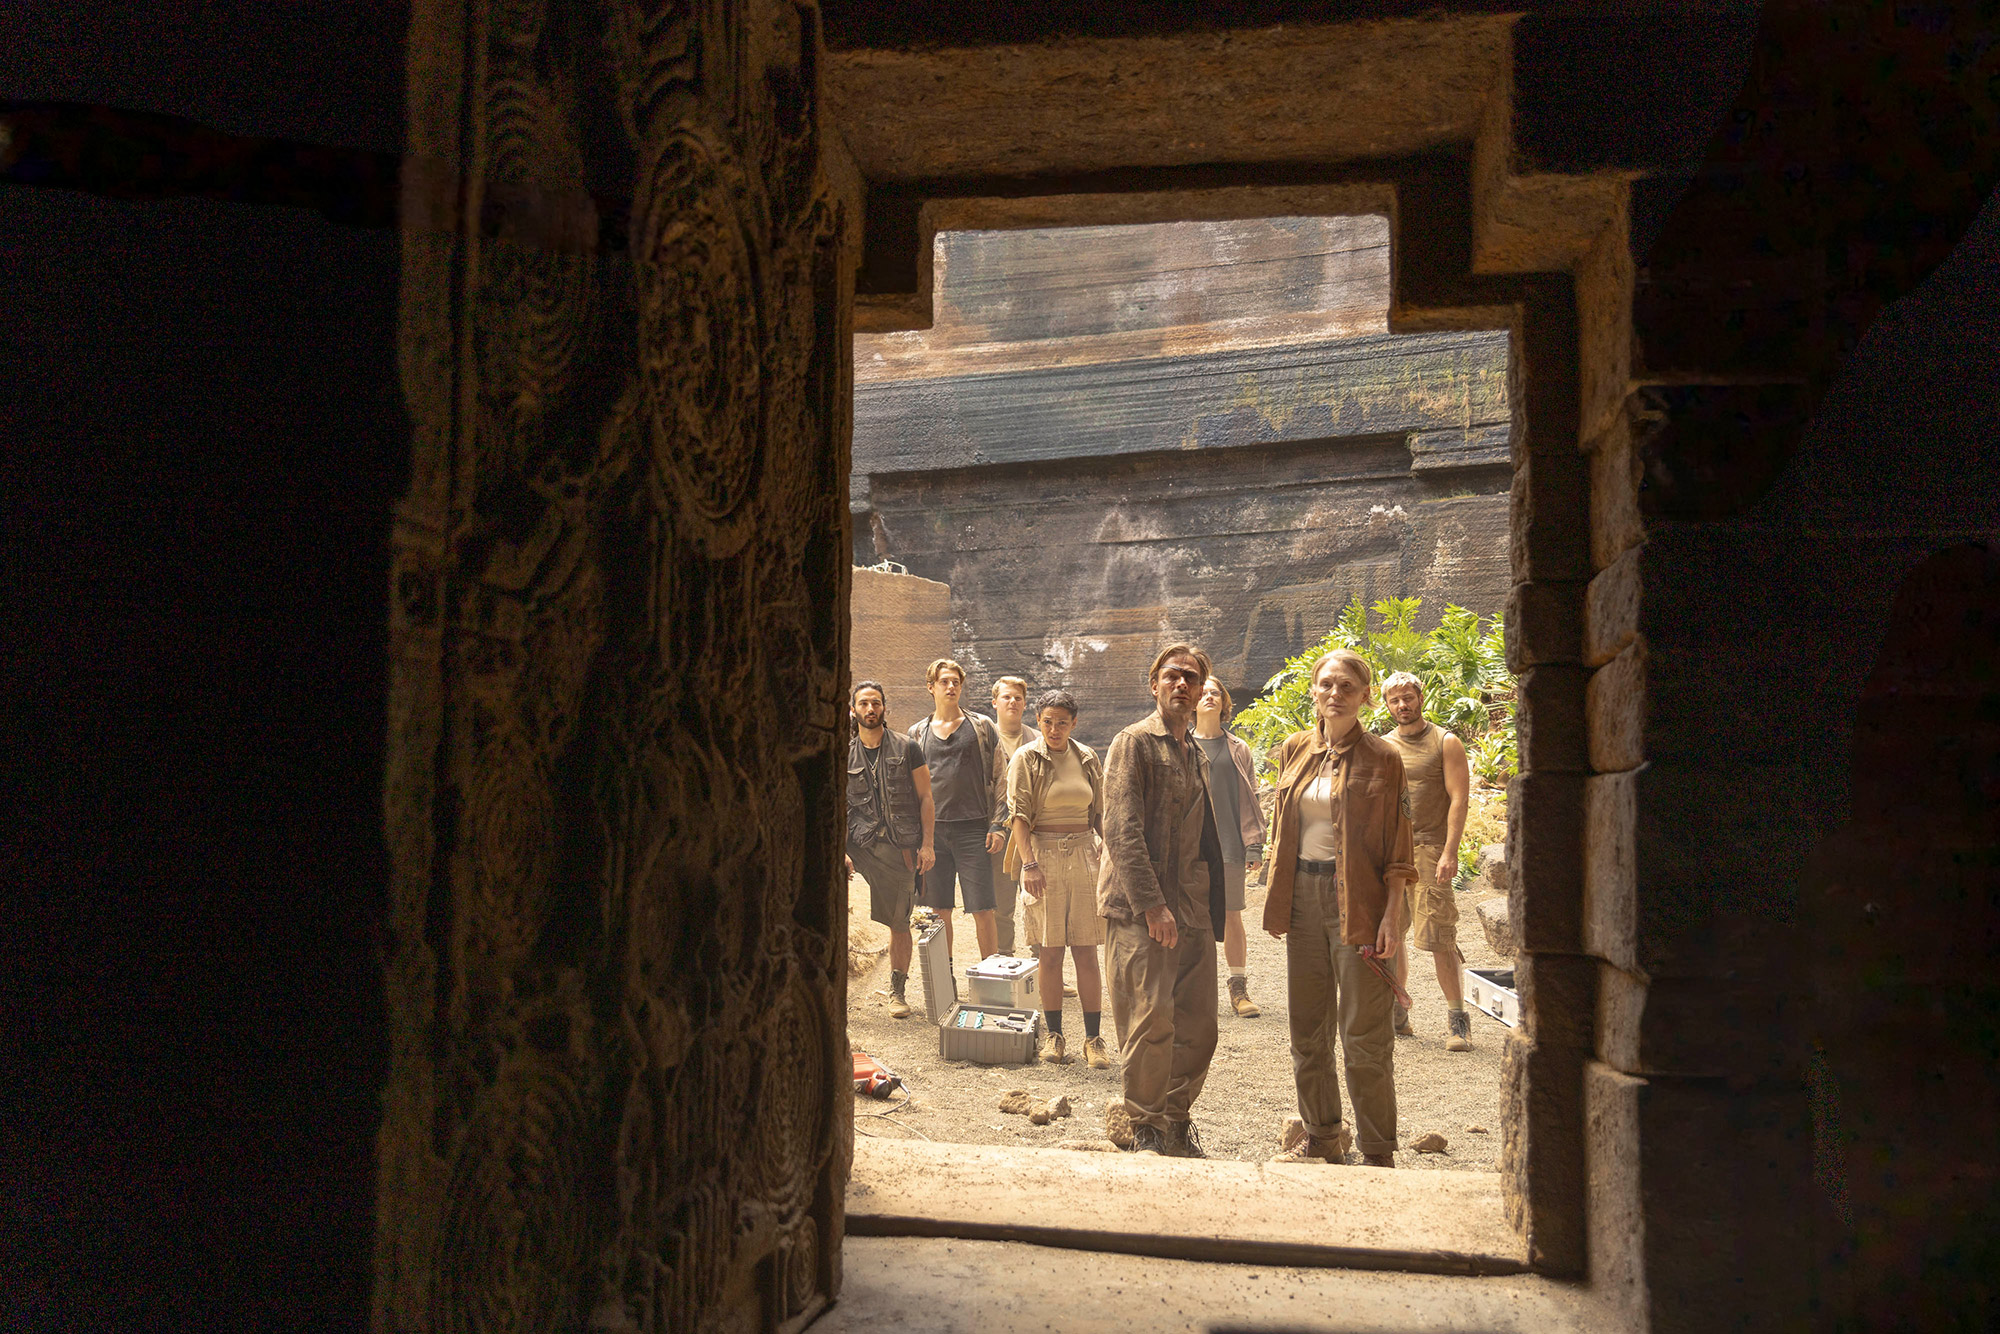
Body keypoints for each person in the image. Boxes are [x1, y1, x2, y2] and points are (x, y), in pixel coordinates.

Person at [1265, 649, 1416, 1169]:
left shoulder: (1384, 758)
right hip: (1303, 902)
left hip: (1360, 905)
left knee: (1364, 1035)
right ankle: (1323, 1137)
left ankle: (1377, 1152)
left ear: (1366, 696)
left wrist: (1392, 915)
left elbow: (1400, 847)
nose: (1336, 693)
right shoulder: (1295, 749)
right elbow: (1283, 830)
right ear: (1314, 690)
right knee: (1307, 1031)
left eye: (1347, 686)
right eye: (1327, 684)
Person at [1098, 642, 1228, 1158]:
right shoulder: (1134, 743)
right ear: (1154, 685)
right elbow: (1120, 829)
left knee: (1199, 1025)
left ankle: (1175, 1121)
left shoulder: (1194, 752)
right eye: (1172, 675)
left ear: (1201, 691)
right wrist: (1152, 905)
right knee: (1150, 1019)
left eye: (1191, 678)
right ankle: (1146, 1125)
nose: (1182, 684)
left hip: (1191, 907)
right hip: (1142, 910)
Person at [1005, 688, 1110, 1068]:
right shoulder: (1025, 758)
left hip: (1084, 853)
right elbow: (1019, 816)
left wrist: (1106, 846)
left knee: (1086, 950)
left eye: (1062, 722)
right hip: (1043, 855)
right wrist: (1029, 865)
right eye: (1047, 722)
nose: (1054, 729)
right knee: (1050, 951)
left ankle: (1094, 1040)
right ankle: (1054, 1036)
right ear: (1038, 720)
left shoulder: (1087, 757)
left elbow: (1099, 811)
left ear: (1074, 723)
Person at [1380, 671, 1475, 1051]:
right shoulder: (1384, 746)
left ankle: (1458, 1020)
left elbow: (1459, 799)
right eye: (1395, 700)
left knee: (1440, 938)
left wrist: (1450, 851)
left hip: (1430, 849)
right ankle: (1397, 1012)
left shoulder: (1445, 742)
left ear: (1420, 698)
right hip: (1391, 853)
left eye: (1408, 697)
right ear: (1387, 705)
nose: (1402, 705)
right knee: (1391, 935)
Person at [905, 659, 1008, 964]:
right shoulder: (917, 733)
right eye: (944, 681)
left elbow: (1001, 776)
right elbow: (909, 787)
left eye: (956, 682)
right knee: (939, 911)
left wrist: (998, 824)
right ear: (931, 687)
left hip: (974, 829)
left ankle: (992, 977)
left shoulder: (982, 727)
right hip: (932, 833)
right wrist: (914, 837)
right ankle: (944, 981)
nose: (951, 687)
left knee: (983, 909)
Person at [846, 681, 935, 1018]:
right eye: (864, 703)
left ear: (884, 707)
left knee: (899, 920)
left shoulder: (907, 748)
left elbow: (926, 797)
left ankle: (897, 992)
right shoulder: (843, 753)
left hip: (897, 846)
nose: (870, 709)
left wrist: (927, 844)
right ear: (853, 710)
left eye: (876, 703)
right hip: (857, 842)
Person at [1193, 677, 1268, 1018]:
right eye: (1203, 692)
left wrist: (1254, 845)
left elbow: (1249, 798)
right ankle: (1198, 990)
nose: (1209, 697)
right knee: (1195, 918)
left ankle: (1238, 989)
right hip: (1192, 849)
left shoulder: (1239, 748)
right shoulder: (1181, 744)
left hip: (1229, 846)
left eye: (1215, 693)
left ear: (1224, 702)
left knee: (1232, 915)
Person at [986, 676, 1040, 959]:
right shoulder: (984, 739)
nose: (1013, 702)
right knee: (1002, 901)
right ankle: (1004, 958)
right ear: (994, 702)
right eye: (1006, 697)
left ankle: (1042, 960)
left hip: (1034, 830)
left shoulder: (1038, 739)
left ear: (1025, 704)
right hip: (1000, 832)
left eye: (1018, 698)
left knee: (1037, 897)